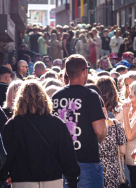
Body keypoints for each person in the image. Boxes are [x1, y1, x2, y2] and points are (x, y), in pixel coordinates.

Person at [1, 80, 80, 188]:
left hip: (23, 181)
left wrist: (3, 176)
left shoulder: (13, 125)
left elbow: (7, 156)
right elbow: (67, 154)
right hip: (52, 180)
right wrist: (72, 180)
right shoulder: (56, 123)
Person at [52, 54, 107, 188]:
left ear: (67, 73)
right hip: (86, 163)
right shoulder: (91, 96)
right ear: (84, 71)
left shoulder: (55, 97)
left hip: (61, 164)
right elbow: (99, 130)